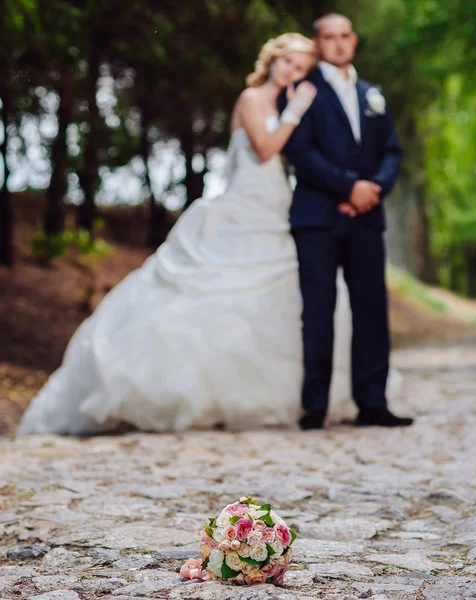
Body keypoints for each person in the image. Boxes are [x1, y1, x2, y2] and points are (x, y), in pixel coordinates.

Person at [17, 32, 404, 436]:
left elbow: (309, 157)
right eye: (288, 63)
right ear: (271, 60)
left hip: (276, 212)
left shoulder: (293, 103)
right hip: (239, 212)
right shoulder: (253, 99)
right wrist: (297, 112)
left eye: (302, 69)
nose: (293, 73)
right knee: (208, 299)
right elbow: (267, 149)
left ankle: (285, 396)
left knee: (289, 305)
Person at [280, 14, 414, 430]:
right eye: (329, 38)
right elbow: (301, 153)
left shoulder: (372, 93)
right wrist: (348, 187)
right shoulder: (301, 91)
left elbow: (391, 150)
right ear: (318, 44)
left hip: (366, 219)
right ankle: (315, 406)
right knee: (319, 310)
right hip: (317, 218)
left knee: (371, 307)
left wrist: (372, 189)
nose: (338, 44)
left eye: (344, 36)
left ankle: (373, 402)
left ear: (353, 41)